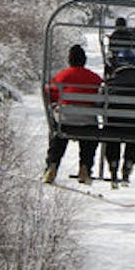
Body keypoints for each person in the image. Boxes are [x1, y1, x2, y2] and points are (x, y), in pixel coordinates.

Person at [44, 44, 103, 185]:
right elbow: (100, 98)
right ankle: (85, 168)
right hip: (87, 121)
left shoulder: (62, 76)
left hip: (65, 120)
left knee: (57, 135)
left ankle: (52, 164)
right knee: (89, 139)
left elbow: (50, 94)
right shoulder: (94, 77)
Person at [101, 49, 135, 187]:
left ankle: (113, 163)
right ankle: (129, 162)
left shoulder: (111, 82)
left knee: (110, 130)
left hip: (114, 124)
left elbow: (100, 103)